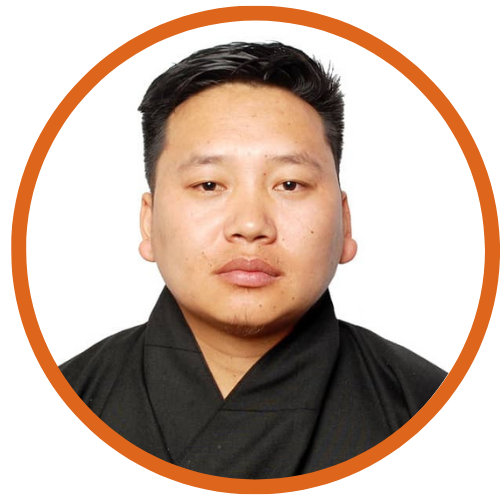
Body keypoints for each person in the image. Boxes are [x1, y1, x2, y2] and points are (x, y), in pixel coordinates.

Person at [60, 41, 446, 479]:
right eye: (209, 185)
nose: (250, 225)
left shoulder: (435, 408)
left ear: (345, 223)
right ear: (149, 223)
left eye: (289, 184)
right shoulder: (57, 404)